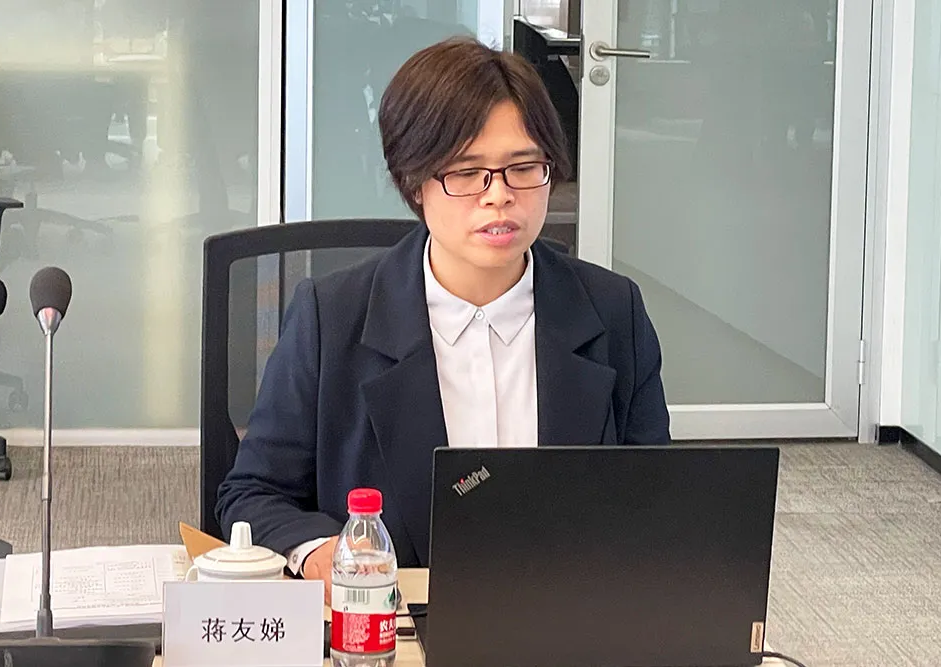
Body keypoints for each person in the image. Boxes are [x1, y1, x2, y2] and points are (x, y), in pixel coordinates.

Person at [216, 36, 671, 599]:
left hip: (567, 619)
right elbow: (253, 494)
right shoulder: (331, 318)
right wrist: (321, 553)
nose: (498, 196)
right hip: (393, 625)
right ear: (415, 182)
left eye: (523, 167)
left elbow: (658, 498)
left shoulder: (613, 310)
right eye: (466, 171)